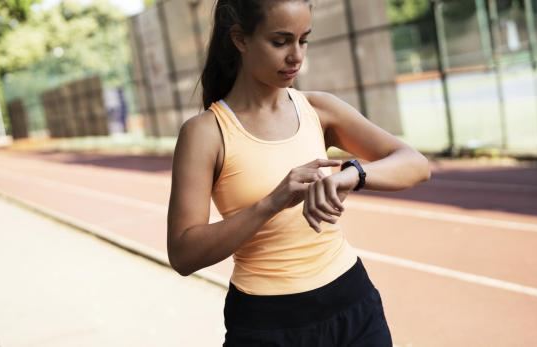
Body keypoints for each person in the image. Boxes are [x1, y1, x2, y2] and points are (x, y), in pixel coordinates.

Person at [167, 0, 431, 345]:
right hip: (268, 323)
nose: (296, 56)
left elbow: (414, 163)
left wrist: (350, 174)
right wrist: (272, 202)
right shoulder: (206, 133)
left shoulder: (318, 109)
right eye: (280, 42)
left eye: (303, 40)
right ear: (240, 39)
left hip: (352, 302)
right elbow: (184, 254)